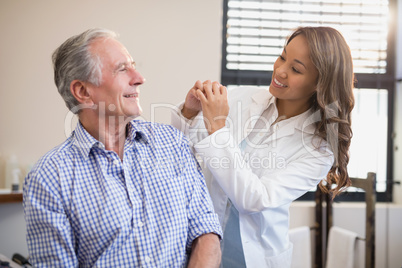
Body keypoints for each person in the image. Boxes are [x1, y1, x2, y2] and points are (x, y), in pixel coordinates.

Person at [23, 28, 222, 268]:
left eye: (133, 65)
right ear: (83, 92)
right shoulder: (48, 177)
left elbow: (206, 233)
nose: (139, 78)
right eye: (122, 69)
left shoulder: (174, 143)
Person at [171, 26, 354, 267]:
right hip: (200, 245)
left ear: (319, 84)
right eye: (282, 56)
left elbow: (254, 199)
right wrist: (189, 113)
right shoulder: (242, 97)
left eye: (296, 69)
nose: (280, 70)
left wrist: (217, 127)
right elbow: (182, 153)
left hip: (251, 257)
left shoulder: (318, 150)